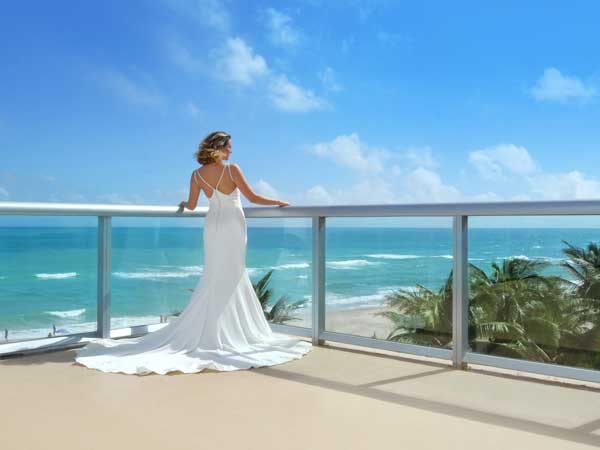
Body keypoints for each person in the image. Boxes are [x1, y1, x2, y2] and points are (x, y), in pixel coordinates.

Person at [74, 131, 312, 375]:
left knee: (214, 274)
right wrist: (278, 201)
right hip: (232, 225)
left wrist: (181, 205)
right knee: (232, 274)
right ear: (218, 148)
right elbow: (252, 197)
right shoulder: (232, 170)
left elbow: (191, 204)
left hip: (212, 226)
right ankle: (225, 332)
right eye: (228, 147)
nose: (231, 151)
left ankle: (212, 330)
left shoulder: (197, 175)